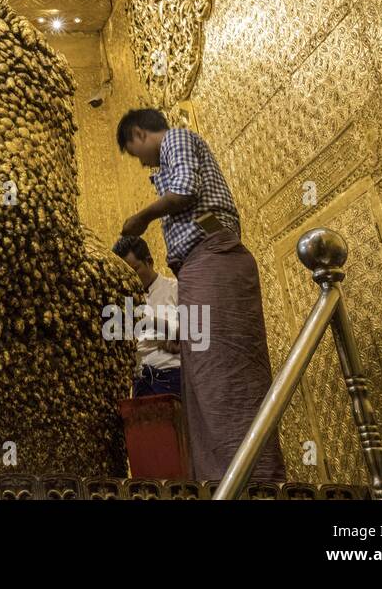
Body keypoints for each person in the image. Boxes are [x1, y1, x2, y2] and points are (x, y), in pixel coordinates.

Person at [116, 107, 286, 481]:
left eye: (134, 151)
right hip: (198, 266)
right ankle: (220, 480)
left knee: (226, 378)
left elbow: (185, 190)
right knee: (206, 379)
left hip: (211, 256)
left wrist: (141, 218)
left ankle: (251, 481)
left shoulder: (176, 138)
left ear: (140, 134)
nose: (141, 162)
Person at [112, 235, 182, 398]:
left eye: (134, 270)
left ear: (149, 262)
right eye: (124, 273)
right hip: (140, 384)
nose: (130, 278)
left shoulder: (176, 290)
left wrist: (151, 323)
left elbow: (198, 333)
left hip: (173, 380)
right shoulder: (120, 303)